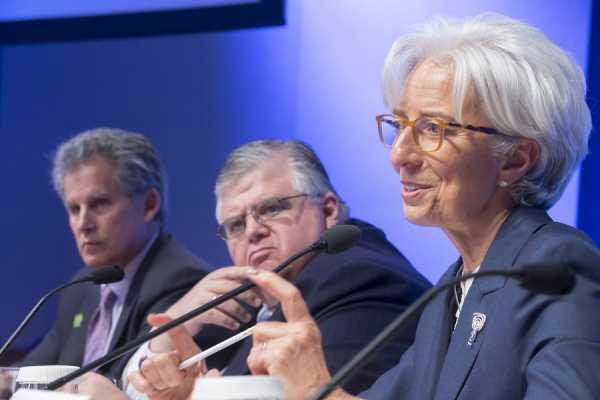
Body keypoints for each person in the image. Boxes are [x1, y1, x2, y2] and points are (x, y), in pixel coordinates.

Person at [224, 13, 600, 400]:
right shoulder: (452, 291)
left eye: (432, 129)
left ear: (515, 160)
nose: (400, 155)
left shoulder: (558, 268)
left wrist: (317, 389)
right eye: (401, 125)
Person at [122, 139, 431, 399]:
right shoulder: (248, 302)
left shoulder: (356, 277)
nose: (252, 232)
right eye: (236, 225)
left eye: (271, 209)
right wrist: (177, 322)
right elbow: (140, 388)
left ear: (328, 211)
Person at [21, 128, 210, 380]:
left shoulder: (181, 281)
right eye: (74, 209)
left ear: (149, 204)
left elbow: (131, 383)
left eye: (99, 204)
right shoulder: (81, 287)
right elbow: (33, 371)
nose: (83, 224)